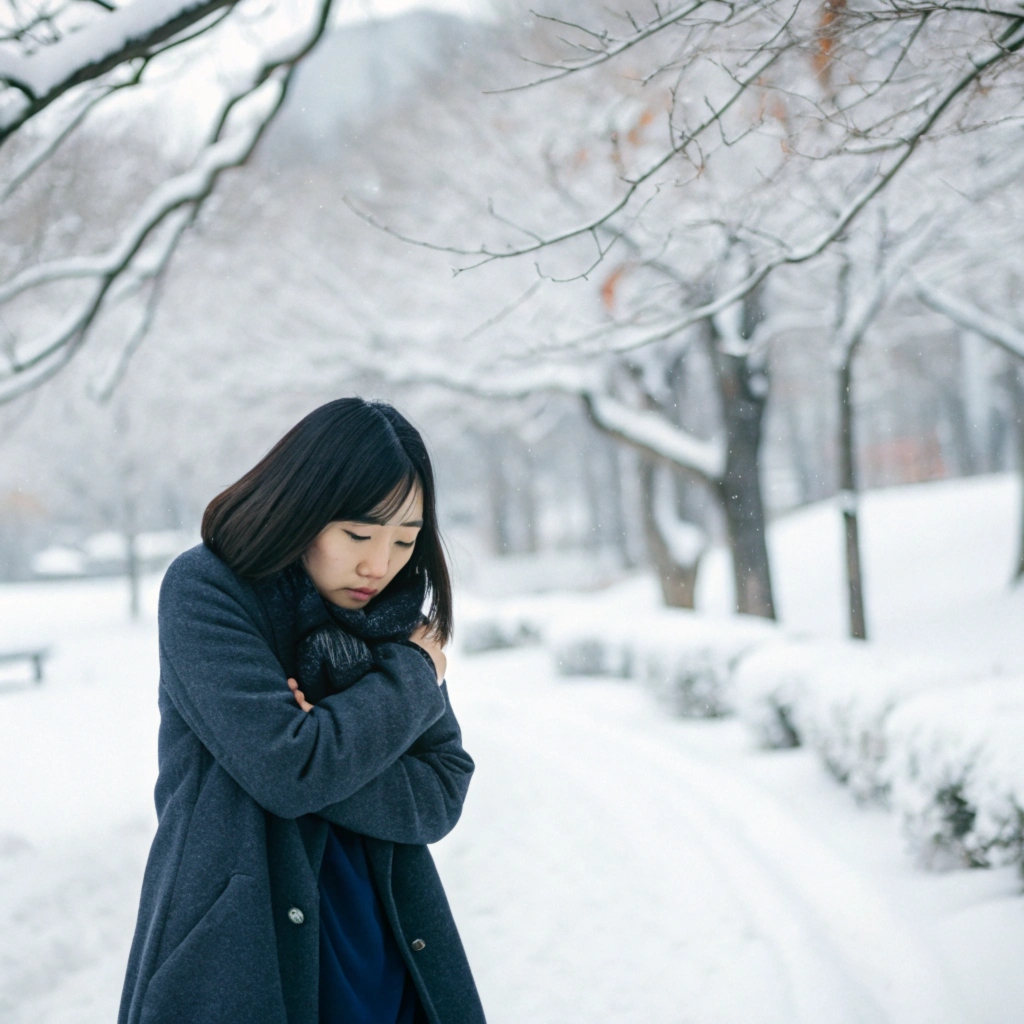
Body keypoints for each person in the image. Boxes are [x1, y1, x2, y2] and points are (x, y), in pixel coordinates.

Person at [118, 398, 485, 1024]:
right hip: (239, 946)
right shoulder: (206, 591)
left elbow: (443, 786)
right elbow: (290, 770)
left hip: (387, 938)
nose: (380, 564)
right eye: (359, 534)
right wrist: (406, 682)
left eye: (406, 539)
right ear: (302, 508)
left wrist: (322, 740)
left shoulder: (397, 618)